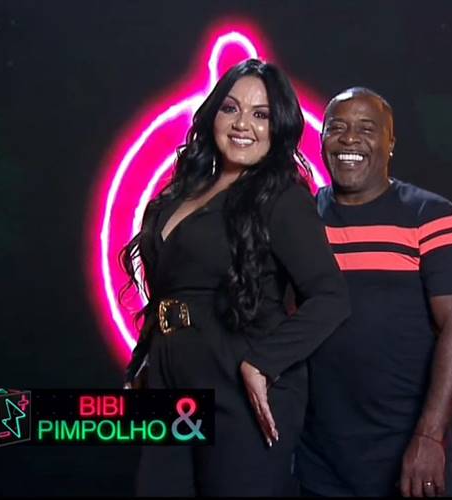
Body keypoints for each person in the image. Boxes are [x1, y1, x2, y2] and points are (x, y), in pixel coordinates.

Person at [119, 59, 350, 496]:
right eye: (231, 108)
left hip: (238, 381)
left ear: (278, 126)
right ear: (214, 115)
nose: (243, 124)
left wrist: (263, 362)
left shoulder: (282, 199)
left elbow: (331, 297)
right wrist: (145, 361)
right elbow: (170, 290)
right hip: (170, 377)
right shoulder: (179, 193)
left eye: (261, 114)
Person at [296, 87, 452, 497]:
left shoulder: (431, 216)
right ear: (321, 139)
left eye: (366, 128)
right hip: (318, 458)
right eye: (337, 127)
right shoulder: (301, 220)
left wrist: (430, 436)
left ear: (390, 142)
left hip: (408, 451)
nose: (349, 138)